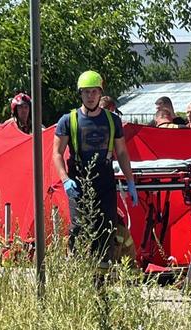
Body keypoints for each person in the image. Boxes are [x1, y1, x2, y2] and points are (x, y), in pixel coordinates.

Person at [52, 70, 138, 271]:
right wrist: (65, 179)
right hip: (78, 181)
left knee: (106, 229)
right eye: (86, 92)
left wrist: (130, 181)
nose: (90, 96)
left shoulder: (112, 120)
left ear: (100, 93)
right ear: (80, 94)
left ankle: (101, 279)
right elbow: (57, 153)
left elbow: (122, 153)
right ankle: (76, 272)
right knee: (79, 229)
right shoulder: (68, 120)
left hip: (105, 181)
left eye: (94, 92)